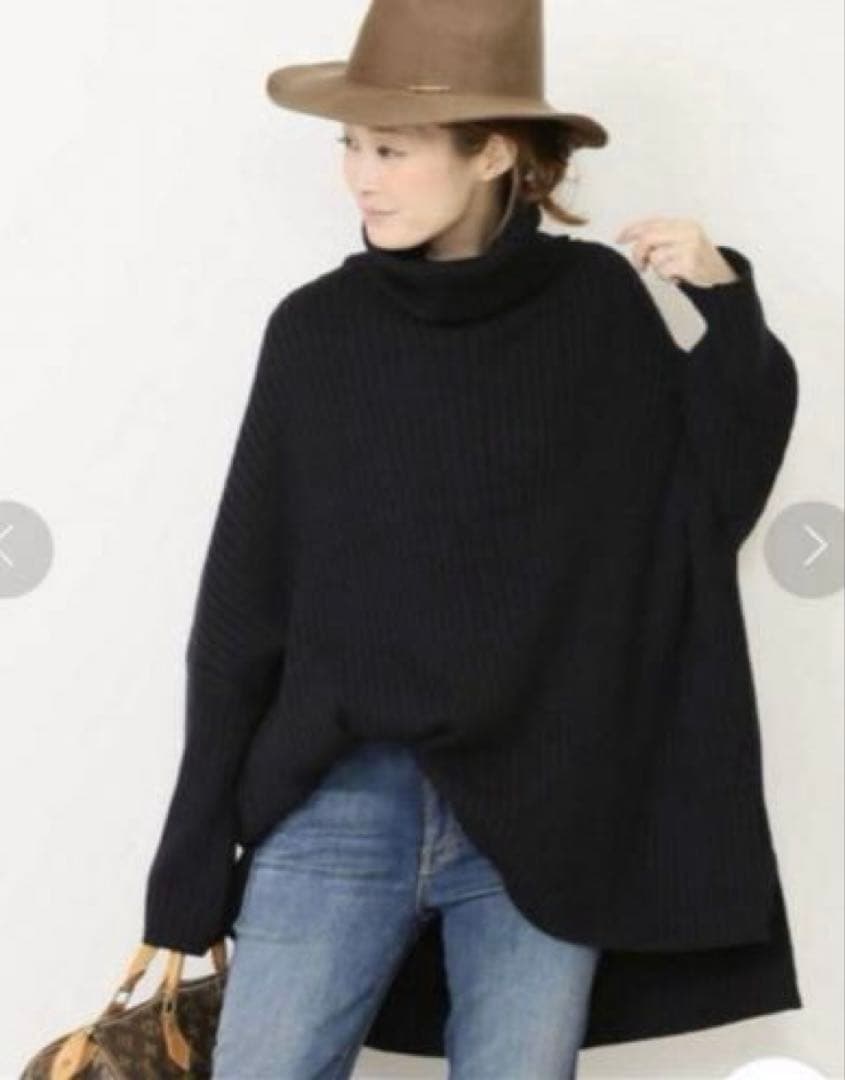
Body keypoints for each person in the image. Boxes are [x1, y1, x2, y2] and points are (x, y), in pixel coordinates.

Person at [141, 2, 803, 1077]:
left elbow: (702, 506)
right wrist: (189, 858)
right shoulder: (317, 330)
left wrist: (724, 304)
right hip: (338, 798)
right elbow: (244, 601)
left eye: (391, 149)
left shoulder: (594, 307)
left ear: (492, 152)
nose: (359, 178)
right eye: (351, 145)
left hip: (543, 813)